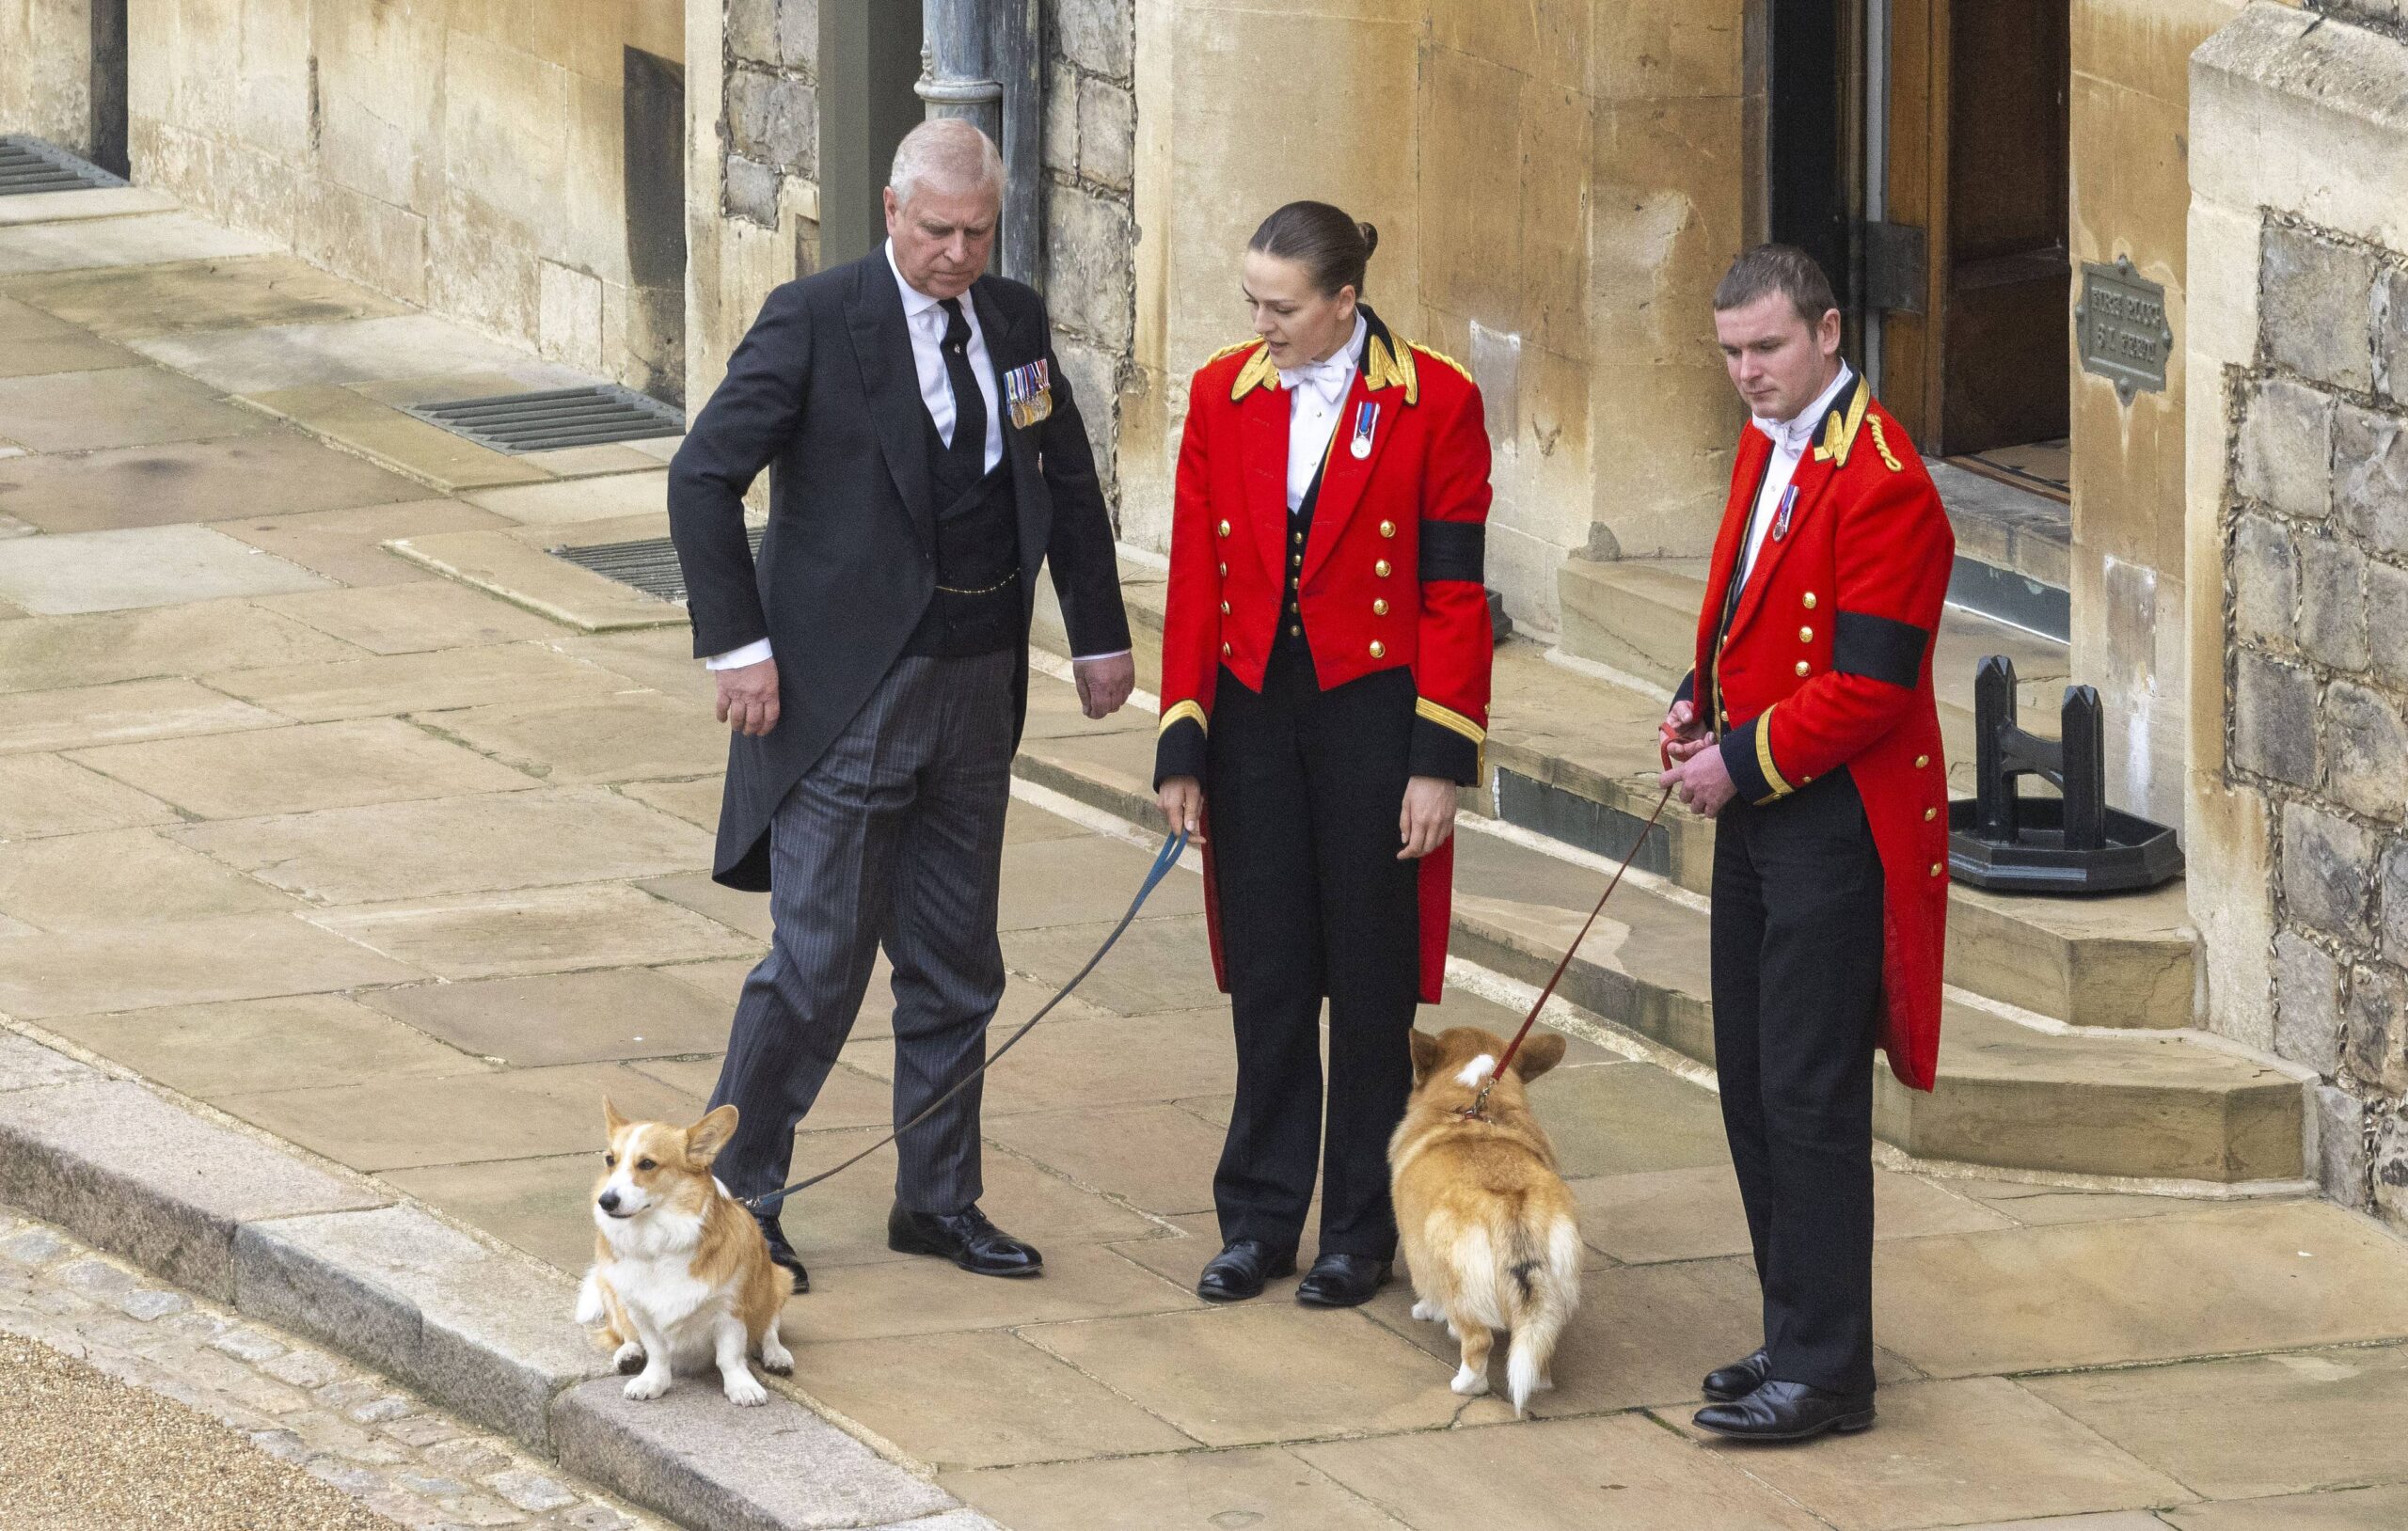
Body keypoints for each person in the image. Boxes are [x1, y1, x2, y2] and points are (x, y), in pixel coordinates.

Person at [666, 119, 1134, 1292]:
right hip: (846, 693)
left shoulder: (1016, 320)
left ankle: (937, 1197)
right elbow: (702, 476)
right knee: (817, 960)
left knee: (955, 960)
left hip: (979, 689)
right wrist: (738, 648)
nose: (959, 253)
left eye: (979, 231)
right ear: (891, 211)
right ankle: (740, 1198)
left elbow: (1064, 478)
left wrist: (1099, 634)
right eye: (937, 230)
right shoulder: (817, 320)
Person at [1153, 201, 1494, 1309]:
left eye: (1282, 306)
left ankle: (1357, 1227)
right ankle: (1256, 1217)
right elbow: (1198, 584)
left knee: (1368, 982)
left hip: (1374, 724)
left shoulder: (1436, 397)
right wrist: (1182, 741)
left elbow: (1451, 592)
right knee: (1268, 977)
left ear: (1344, 300)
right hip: (1253, 719)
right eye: (1251, 301)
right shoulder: (1220, 391)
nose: (1261, 325)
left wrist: (1438, 758)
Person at [1656, 245, 1954, 1441]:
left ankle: (1829, 1371)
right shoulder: (1767, 442)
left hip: (1835, 819)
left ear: (1828, 332)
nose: (1747, 374)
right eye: (1730, 353)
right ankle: (1794, 1325)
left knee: (1809, 1093)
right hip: (1763, 802)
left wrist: (1742, 754)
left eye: (1766, 348)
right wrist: (1697, 697)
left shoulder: (1884, 479)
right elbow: (1744, 609)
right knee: (1750, 1083)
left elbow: (1872, 683)